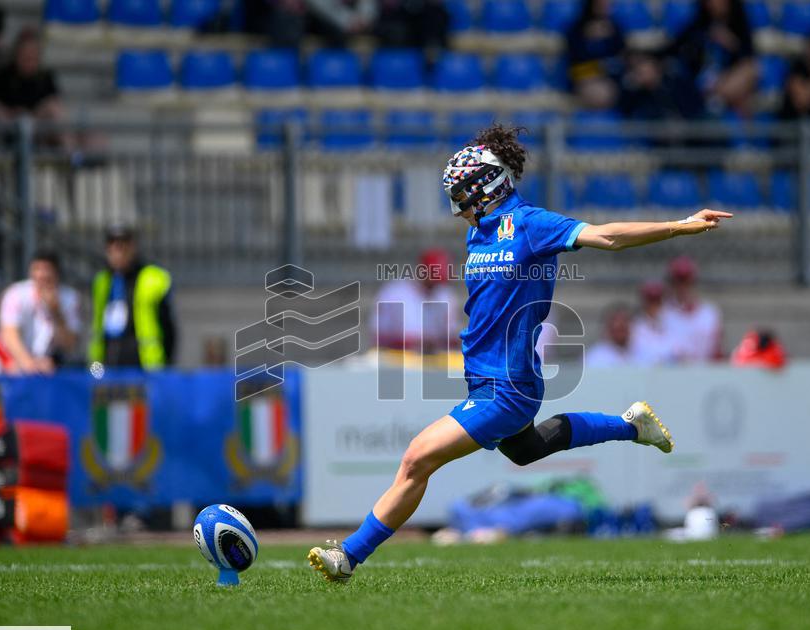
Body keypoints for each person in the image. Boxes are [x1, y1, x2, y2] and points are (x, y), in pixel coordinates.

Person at [306, 125, 732, 582]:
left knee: (416, 459)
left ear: (486, 188)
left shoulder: (530, 224)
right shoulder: (479, 235)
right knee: (525, 450)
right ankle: (632, 426)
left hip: (507, 388)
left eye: (462, 195)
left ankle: (347, 557)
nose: (458, 208)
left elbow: (608, 236)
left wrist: (679, 226)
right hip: (484, 378)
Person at [88, 226, 176, 369]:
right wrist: (95, 372)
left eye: (123, 245)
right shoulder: (101, 282)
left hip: (144, 371)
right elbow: (98, 330)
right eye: (113, 245)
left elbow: (169, 329)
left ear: (133, 247)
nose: (118, 251)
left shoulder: (151, 278)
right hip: (107, 369)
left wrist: (162, 370)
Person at [664, 0, 757, 116]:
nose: (715, 4)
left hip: (727, 79)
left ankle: (716, 100)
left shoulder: (740, 24)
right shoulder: (698, 25)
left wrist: (732, 44)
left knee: (749, 69)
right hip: (699, 80)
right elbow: (674, 49)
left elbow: (749, 55)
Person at [0, 249, 80, 374]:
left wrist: (56, 312)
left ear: (57, 273)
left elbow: (69, 345)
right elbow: (9, 335)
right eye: (37, 269)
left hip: (47, 369)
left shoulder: (70, 298)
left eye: (47, 269)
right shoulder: (15, 294)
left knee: (86, 369)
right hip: (13, 367)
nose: (42, 275)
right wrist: (30, 364)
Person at [374, 247, 459, 355]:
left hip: (434, 361)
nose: (435, 284)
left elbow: (452, 339)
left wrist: (437, 343)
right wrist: (415, 343)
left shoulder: (446, 295)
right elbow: (378, 337)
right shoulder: (393, 293)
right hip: (397, 359)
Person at [0, 28, 63, 123]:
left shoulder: (45, 77)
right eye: (24, 55)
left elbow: (54, 102)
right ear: (16, 54)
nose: (29, 60)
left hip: (37, 126)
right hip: (8, 124)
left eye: (32, 56)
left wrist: (33, 115)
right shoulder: (4, 75)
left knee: (54, 108)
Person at [659, 255, 722, 362]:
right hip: (670, 373)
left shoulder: (709, 313)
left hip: (702, 373)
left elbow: (716, 351)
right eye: (678, 280)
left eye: (686, 280)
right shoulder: (662, 312)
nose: (682, 286)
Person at [565, 0, 625, 109]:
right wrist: (588, 37)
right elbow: (574, 60)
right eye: (601, 4)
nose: (605, 7)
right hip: (583, 77)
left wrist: (608, 38)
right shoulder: (577, 28)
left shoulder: (615, 28)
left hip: (608, 79)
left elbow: (620, 56)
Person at [630, 280, 676, 364]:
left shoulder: (674, 324)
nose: (654, 306)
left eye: (657, 301)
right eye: (650, 301)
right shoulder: (633, 328)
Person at [585, 303, 636, 368]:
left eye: (624, 322)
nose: (621, 325)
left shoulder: (641, 351)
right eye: (617, 328)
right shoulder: (594, 357)